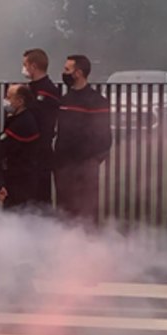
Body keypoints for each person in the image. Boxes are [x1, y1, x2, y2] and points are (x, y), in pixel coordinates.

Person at [53, 54, 112, 225]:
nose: (63, 73)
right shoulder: (63, 101)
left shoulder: (97, 101)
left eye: (67, 69)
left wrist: (93, 160)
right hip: (63, 166)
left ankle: (88, 246)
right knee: (64, 210)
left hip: (85, 166)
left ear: (78, 73)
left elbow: (104, 136)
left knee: (86, 210)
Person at [0, 84, 46, 210]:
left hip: (20, 179)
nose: (6, 100)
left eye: (9, 97)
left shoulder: (23, 123)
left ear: (20, 101)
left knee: (17, 212)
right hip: (18, 176)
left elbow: (3, 147)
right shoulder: (18, 119)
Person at [23, 48, 61, 207]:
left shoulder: (47, 90)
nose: (23, 68)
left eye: (25, 64)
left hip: (40, 151)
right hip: (30, 151)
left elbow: (41, 121)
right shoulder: (32, 88)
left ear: (33, 66)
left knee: (39, 197)